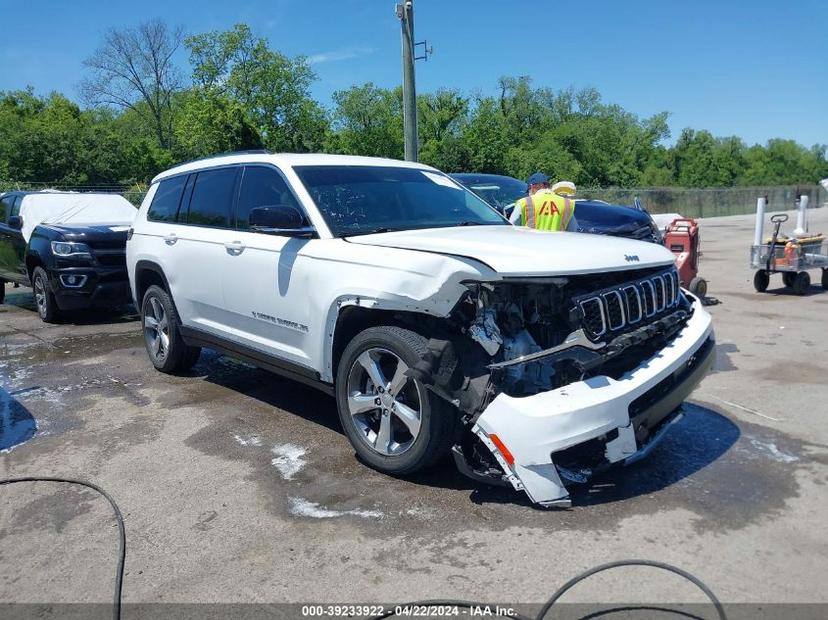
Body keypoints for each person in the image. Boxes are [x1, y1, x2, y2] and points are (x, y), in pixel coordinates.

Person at [509, 172, 578, 232]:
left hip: (530, 246)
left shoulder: (524, 202)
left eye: (529, 190)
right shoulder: (567, 203)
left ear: (532, 187)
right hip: (557, 246)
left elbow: (512, 229)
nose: (529, 193)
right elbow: (573, 230)